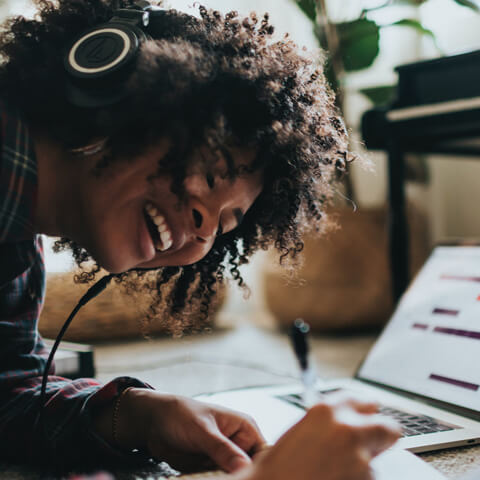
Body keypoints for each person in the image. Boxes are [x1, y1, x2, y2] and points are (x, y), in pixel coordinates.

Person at [0, 0, 400, 478]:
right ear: (110, 91)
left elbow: (9, 395)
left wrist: (138, 416)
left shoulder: (19, 248)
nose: (204, 228)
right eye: (210, 175)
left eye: (225, 226)